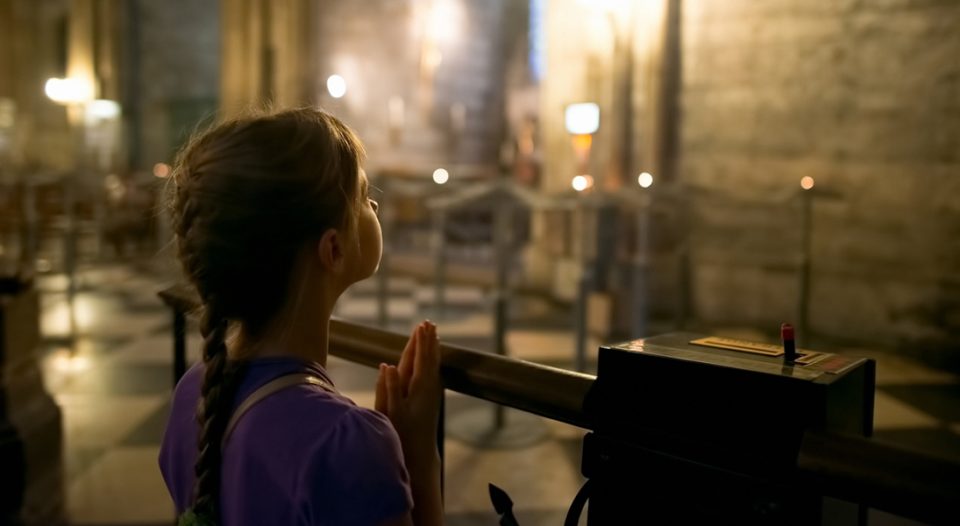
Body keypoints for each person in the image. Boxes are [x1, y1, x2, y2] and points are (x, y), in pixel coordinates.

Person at [158, 108, 444, 526]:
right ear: (333, 250)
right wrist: (418, 456)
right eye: (363, 195)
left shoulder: (194, 392)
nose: (375, 204)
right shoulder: (345, 445)